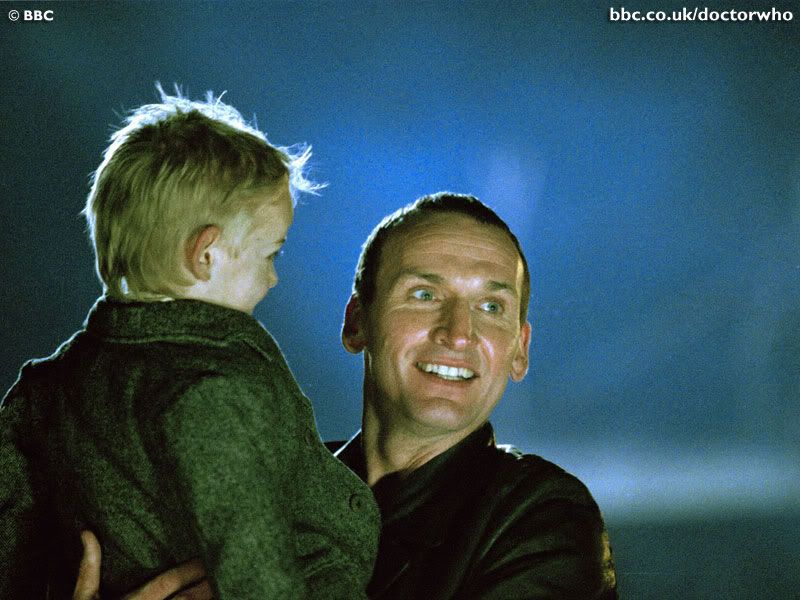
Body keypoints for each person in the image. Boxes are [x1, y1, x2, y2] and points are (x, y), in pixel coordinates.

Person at [74, 193, 617, 599]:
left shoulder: (543, 520)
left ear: (519, 350)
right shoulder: (253, 479)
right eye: (424, 294)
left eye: (491, 307)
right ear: (357, 322)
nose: (458, 333)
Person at [0, 87, 379, 599]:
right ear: (206, 254)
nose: (273, 279)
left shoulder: (43, 391)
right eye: (270, 255)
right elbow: (255, 572)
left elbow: (11, 547)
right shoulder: (212, 389)